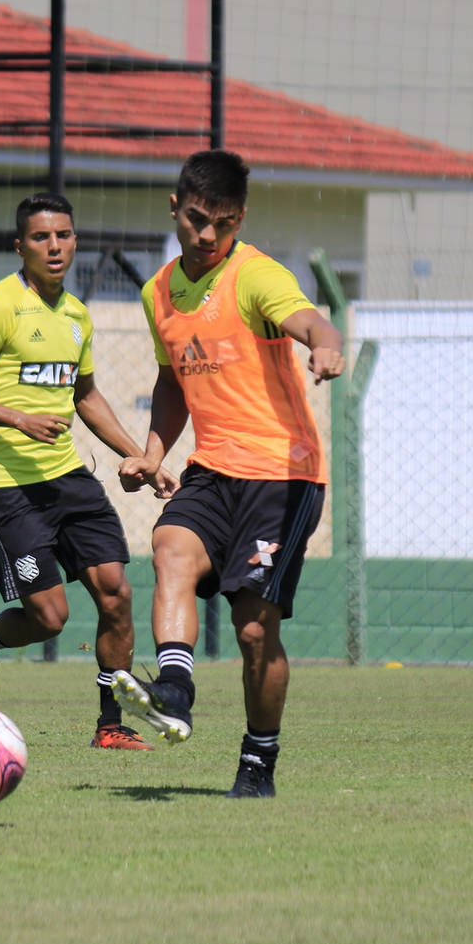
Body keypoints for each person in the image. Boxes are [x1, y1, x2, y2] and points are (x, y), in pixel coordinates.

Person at [115, 149, 345, 798]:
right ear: (175, 208)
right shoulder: (156, 292)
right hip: (212, 466)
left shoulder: (255, 277)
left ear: (239, 219)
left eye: (222, 223)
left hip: (283, 473)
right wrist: (154, 454)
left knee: (252, 629)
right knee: (170, 547)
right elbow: (171, 379)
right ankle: (176, 690)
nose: (207, 235)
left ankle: (258, 760)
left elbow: (309, 318)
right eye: (196, 220)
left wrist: (325, 346)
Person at [0, 192, 173, 750]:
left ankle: (111, 724)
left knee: (116, 592)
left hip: (68, 476)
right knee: (48, 617)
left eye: (63, 235)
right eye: (41, 237)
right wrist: (17, 418)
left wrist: (137, 454)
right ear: (20, 246)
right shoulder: (1, 306)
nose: (54, 246)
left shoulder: (76, 315)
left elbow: (85, 396)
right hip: (7, 481)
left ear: (75, 240)